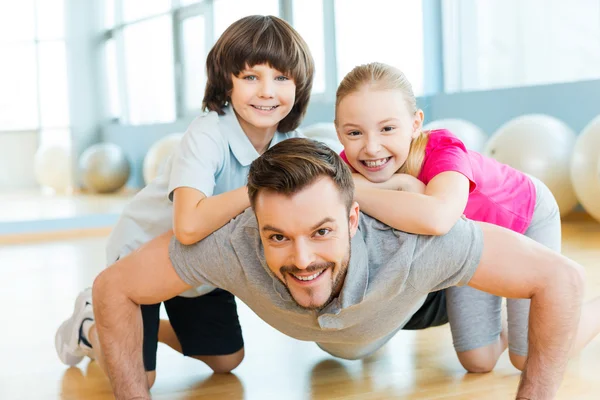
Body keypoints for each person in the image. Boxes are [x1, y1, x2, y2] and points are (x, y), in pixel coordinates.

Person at [91, 138, 587, 399]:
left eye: (321, 232)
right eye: (278, 237)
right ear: (254, 224)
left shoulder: (417, 244)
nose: (302, 258)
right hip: (357, 329)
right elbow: (114, 287)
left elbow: (562, 279)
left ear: (354, 218)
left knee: (498, 356)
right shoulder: (231, 243)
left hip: (421, 297)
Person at [54, 15, 314, 387]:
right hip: (142, 255)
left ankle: (138, 330)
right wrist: (261, 187)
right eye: (251, 77)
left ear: (299, 84)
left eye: (281, 77)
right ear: (227, 82)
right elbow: (188, 226)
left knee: (227, 360)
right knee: (143, 377)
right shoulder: (208, 132)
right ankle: (90, 327)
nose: (267, 91)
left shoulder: (289, 140)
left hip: (199, 267)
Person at [333, 61, 600, 372]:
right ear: (339, 131)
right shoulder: (347, 166)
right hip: (471, 245)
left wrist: (368, 189)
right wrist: (398, 185)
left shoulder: (443, 149)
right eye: (354, 132)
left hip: (526, 219)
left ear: (416, 123)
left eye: (388, 128)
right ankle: (526, 319)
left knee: (527, 358)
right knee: (478, 360)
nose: (371, 147)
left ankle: (575, 314)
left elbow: (439, 218)